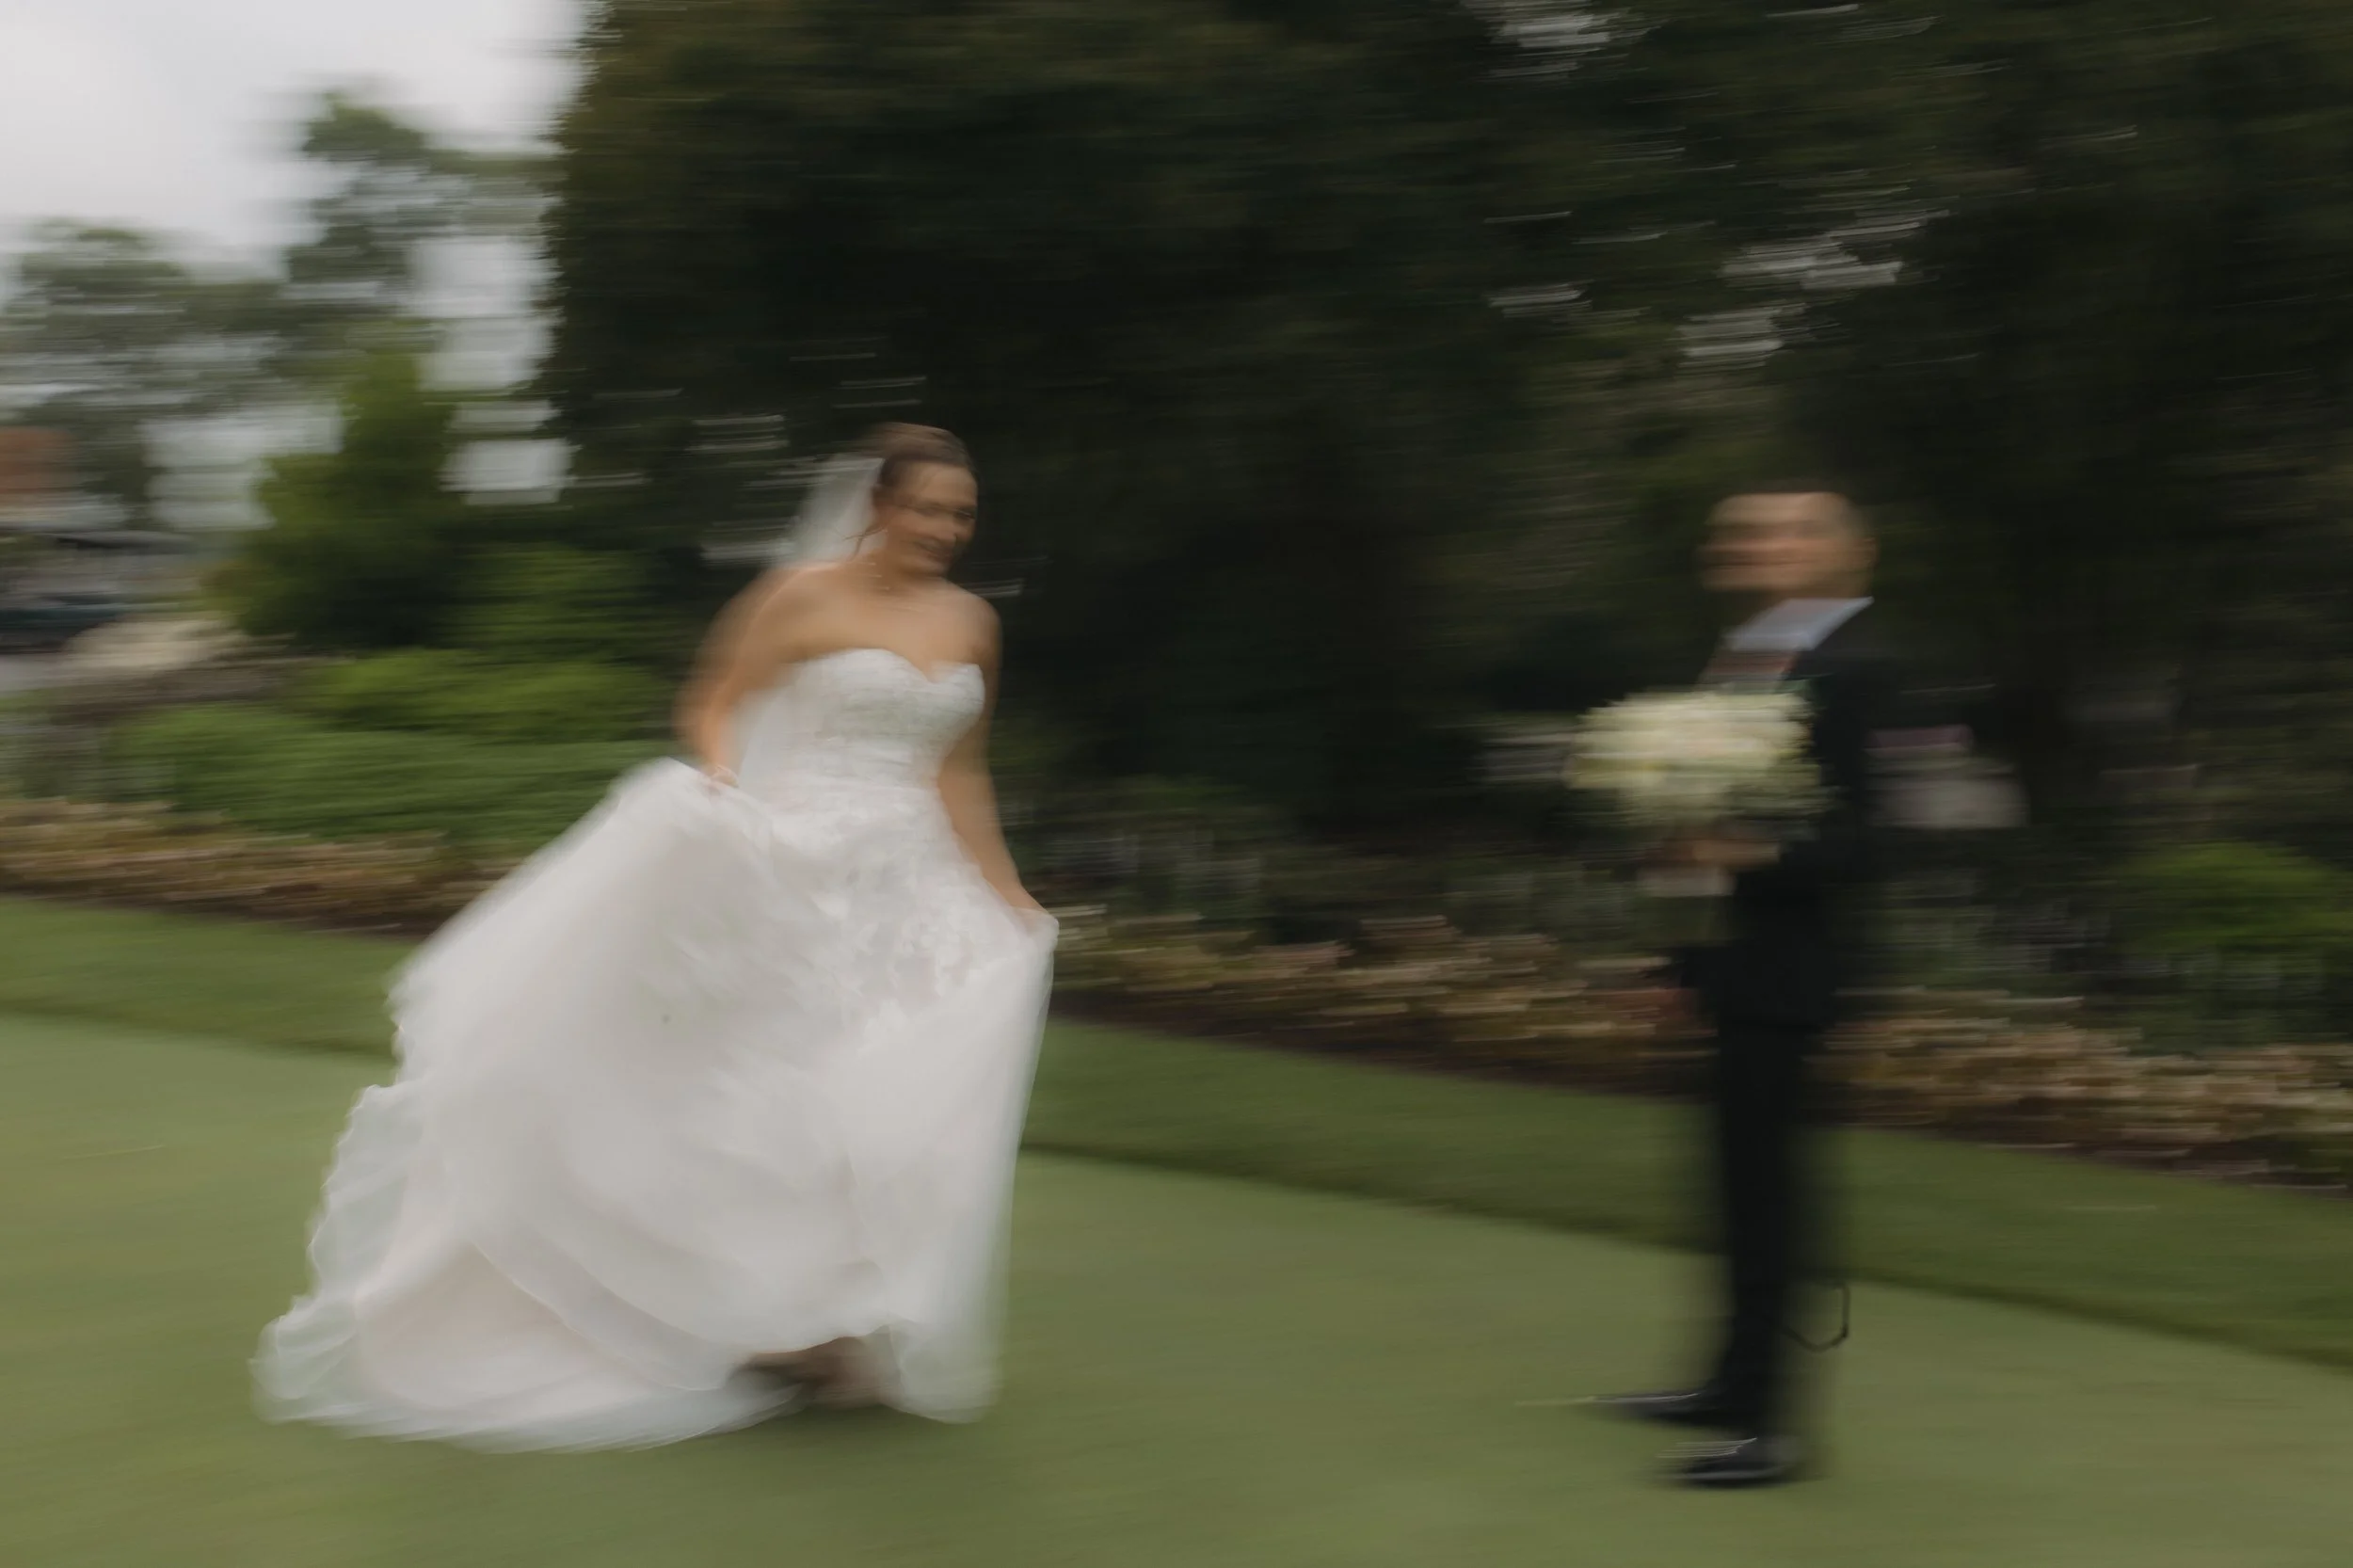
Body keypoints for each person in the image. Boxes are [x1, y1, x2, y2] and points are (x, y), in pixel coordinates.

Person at [255, 424, 1057, 1449]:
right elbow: (714, 701)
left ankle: (823, 1319)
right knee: (777, 1093)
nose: (946, 529)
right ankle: (744, 1314)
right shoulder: (801, 597)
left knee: (887, 1098)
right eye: (929, 507)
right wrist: (725, 785)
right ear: (879, 507)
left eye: (962, 514)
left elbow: (959, 769)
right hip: (794, 867)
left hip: (911, 890)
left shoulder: (973, 622)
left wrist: (1008, 891)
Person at [1596, 482, 1901, 1488]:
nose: (1752, 544)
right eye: (1740, 530)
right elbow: (1698, 834)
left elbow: (1875, 846)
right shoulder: (1746, 664)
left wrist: (1747, 847)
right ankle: (1726, 1385)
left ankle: (1772, 1431)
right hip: (1732, 968)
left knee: (1770, 1197)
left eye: (1784, 530)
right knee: (1729, 1187)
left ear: (1843, 555)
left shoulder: (1862, 671)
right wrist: (1676, 959)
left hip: (1798, 975)